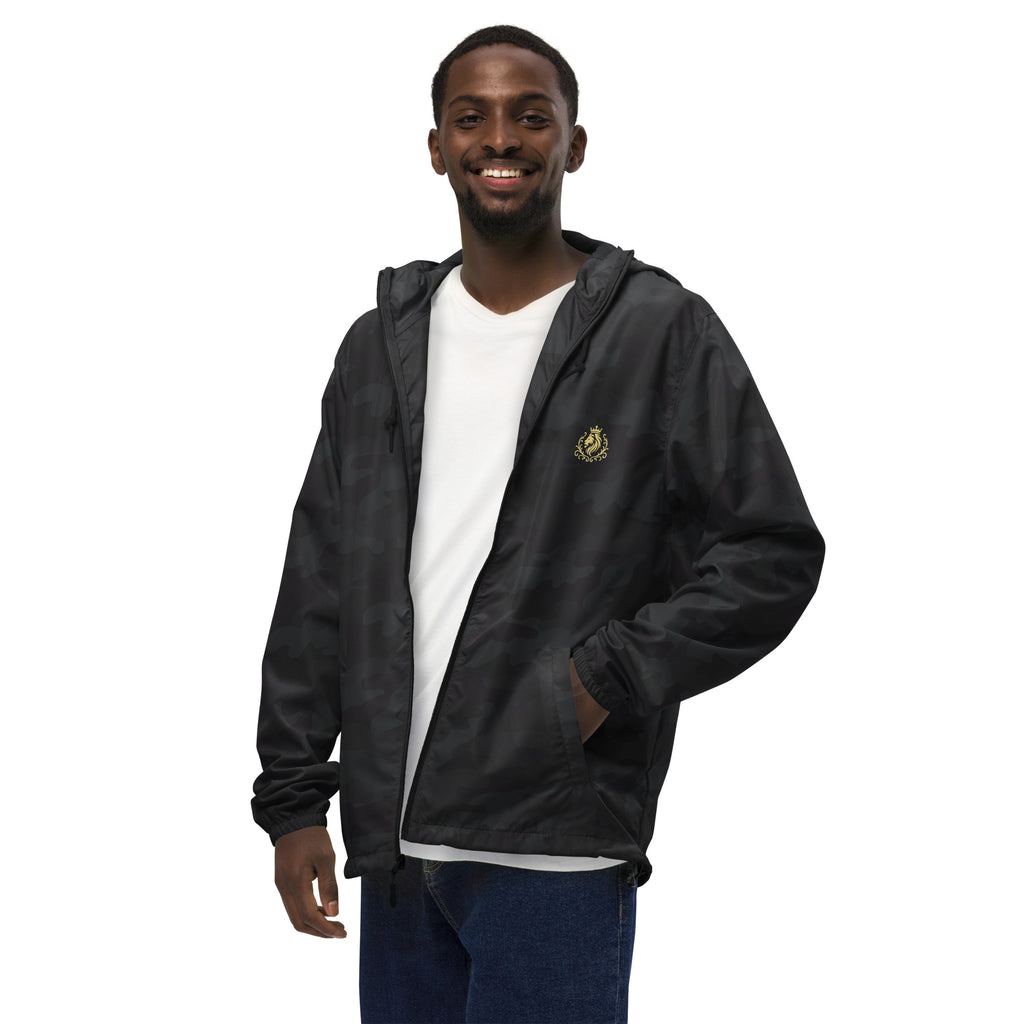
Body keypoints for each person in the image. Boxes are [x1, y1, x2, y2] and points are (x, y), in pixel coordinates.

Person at [252, 24, 825, 1024]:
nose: (499, 138)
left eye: (530, 115)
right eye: (470, 117)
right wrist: (295, 797)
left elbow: (769, 549)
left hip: (553, 844)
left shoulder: (657, 331)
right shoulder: (378, 347)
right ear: (437, 146)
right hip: (395, 854)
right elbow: (320, 576)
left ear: (574, 143)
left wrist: (605, 680)